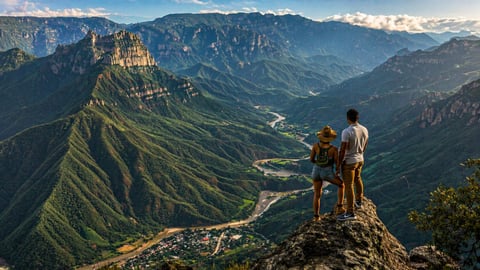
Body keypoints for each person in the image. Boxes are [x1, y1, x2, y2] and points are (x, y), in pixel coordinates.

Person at [337, 109, 369, 221]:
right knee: (358, 179)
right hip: (360, 159)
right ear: (357, 117)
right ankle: (359, 200)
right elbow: (365, 145)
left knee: (349, 185)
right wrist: (359, 153)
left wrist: (338, 164)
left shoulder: (347, 131)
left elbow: (343, 150)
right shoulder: (364, 129)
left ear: (348, 118)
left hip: (349, 162)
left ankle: (350, 212)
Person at [310, 125, 345, 221]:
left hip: (316, 171)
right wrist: (337, 171)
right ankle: (340, 207)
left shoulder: (315, 146)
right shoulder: (333, 149)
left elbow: (311, 159)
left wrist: (318, 164)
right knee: (341, 185)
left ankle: (316, 216)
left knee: (317, 194)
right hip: (327, 172)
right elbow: (337, 163)